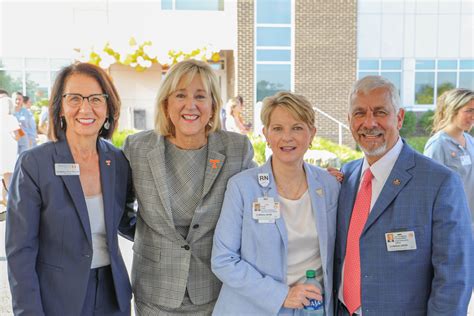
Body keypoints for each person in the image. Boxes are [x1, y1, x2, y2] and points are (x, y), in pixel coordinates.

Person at [120, 59, 255, 314]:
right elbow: (120, 210)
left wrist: (307, 175)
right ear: (166, 103)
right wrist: (151, 239)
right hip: (154, 290)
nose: (190, 105)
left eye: (200, 96)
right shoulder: (137, 148)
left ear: (213, 106)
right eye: (180, 95)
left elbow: (259, 200)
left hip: (215, 289)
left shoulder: (237, 149)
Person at [334, 76, 473, 315]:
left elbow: (454, 277)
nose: (369, 123)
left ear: (399, 118)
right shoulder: (344, 177)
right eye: (359, 113)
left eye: (380, 112)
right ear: (349, 121)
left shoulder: (439, 183)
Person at [5, 62, 133, 315]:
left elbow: (126, 219)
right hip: (58, 298)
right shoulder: (35, 164)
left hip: (112, 296)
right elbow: (21, 251)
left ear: (108, 108)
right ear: (60, 107)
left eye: (96, 98)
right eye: (74, 98)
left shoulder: (117, 160)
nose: (85, 108)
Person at [211, 91, 340, 315]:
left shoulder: (330, 186)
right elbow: (223, 260)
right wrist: (282, 295)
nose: (287, 137)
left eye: (297, 128)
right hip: (252, 308)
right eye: (278, 128)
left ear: (312, 133)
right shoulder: (242, 188)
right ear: (266, 135)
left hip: (313, 309)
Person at [423, 88, 474, 231]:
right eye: (468, 110)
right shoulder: (438, 145)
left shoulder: (470, 141)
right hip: (451, 225)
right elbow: (428, 190)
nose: (473, 116)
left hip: (470, 223)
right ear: (453, 110)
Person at [0, 89, 20, 209]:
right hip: (10, 149)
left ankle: (4, 197)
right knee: (9, 174)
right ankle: (7, 198)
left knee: (4, 173)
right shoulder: (11, 118)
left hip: (1, 148)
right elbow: (18, 135)